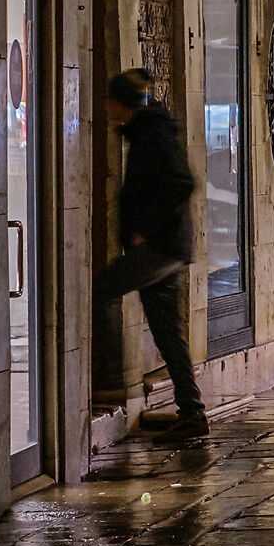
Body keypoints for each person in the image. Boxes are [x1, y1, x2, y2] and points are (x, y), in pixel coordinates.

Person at [97, 69, 208, 441]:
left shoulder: (153, 135)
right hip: (168, 248)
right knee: (167, 333)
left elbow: (181, 183)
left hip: (161, 249)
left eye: (111, 100)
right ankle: (192, 413)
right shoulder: (146, 132)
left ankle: (105, 372)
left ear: (122, 103)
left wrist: (148, 229)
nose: (107, 107)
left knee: (102, 290)